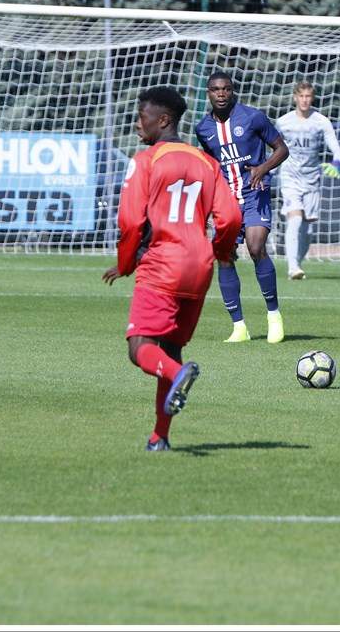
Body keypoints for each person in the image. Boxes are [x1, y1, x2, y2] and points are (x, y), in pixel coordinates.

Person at [102, 86, 242, 452]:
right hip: (200, 265)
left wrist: (125, 263)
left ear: (163, 120)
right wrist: (222, 251)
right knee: (171, 348)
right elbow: (230, 217)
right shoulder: (208, 163)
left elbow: (130, 221)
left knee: (140, 348)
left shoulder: (146, 159)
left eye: (142, 116)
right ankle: (159, 436)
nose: (137, 124)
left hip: (163, 263)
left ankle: (178, 376)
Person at [195, 71, 290, 343]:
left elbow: (282, 149)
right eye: (215, 89)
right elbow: (211, 164)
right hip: (225, 200)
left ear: (233, 91)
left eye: (226, 89)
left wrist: (262, 168)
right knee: (224, 256)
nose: (221, 94)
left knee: (256, 246)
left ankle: (274, 315)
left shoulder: (253, 117)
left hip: (254, 193)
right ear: (209, 93)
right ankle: (239, 326)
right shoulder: (203, 128)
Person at [275, 81, 340, 280]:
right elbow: (273, 147)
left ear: (311, 98)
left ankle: (297, 262)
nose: (305, 100)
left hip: (312, 178)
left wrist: (337, 163)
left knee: (307, 228)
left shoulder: (320, 121)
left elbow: (335, 146)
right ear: (295, 97)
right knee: (294, 218)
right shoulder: (283, 122)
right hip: (290, 176)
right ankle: (292, 267)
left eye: (308, 96)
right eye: (301, 96)